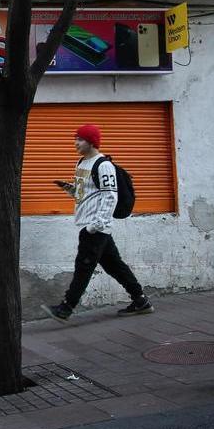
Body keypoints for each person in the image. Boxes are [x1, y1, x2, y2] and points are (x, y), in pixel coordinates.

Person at [42, 124, 153, 322]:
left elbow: (110, 196)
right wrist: (69, 188)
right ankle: (141, 301)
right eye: (75, 139)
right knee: (115, 266)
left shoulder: (103, 165)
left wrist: (95, 225)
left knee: (83, 267)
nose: (76, 143)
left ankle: (66, 308)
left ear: (92, 142)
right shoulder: (81, 163)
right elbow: (83, 194)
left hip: (94, 227)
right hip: (90, 225)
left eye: (80, 139)